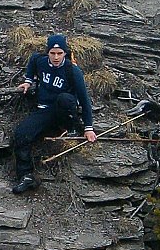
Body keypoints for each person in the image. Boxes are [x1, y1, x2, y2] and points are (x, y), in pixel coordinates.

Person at [10, 34, 97, 193]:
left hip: (64, 111)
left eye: (60, 53)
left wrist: (88, 128)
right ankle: (26, 176)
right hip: (44, 110)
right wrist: (28, 81)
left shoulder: (73, 71)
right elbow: (33, 60)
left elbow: (85, 100)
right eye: (52, 53)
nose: (56, 57)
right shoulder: (41, 61)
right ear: (48, 52)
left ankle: (72, 128)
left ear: (65, 53)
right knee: (21, 133)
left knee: (65, 98)